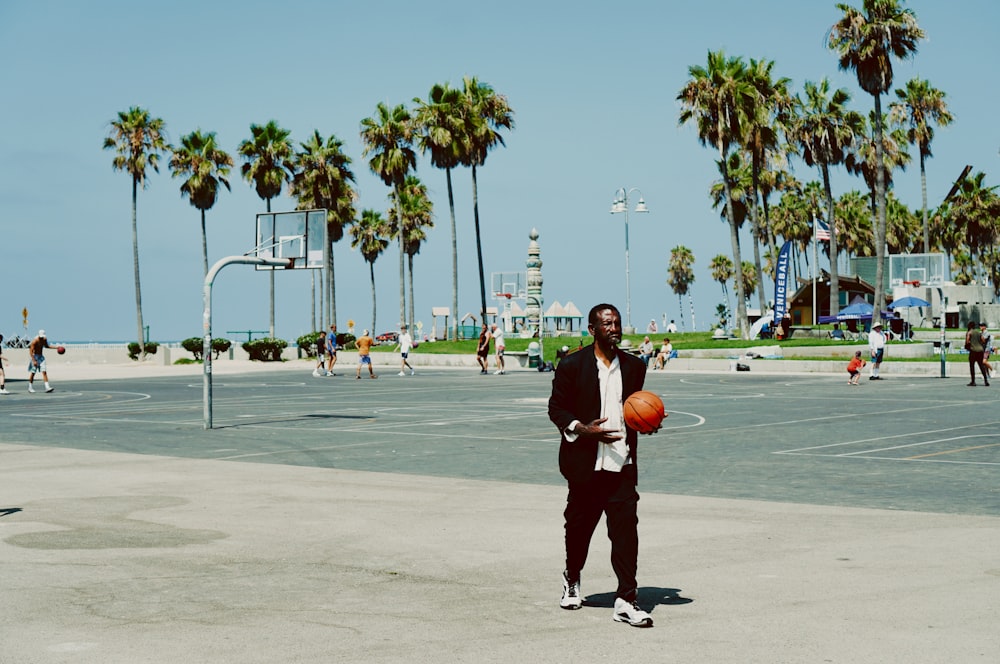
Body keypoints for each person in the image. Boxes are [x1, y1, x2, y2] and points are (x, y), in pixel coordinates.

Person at [548, 303, 656, 627]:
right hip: (585, 467)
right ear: (592, 330)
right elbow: (556, 409)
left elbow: (636, 410)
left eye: (617, 323)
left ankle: (626, 599)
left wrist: (648, 422)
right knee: (578, 531)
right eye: (606, 324)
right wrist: (583, 429)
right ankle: (572, 577)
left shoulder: (635, 367)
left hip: (621, 465)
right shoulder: (571, 366)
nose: (614, 328)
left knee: (626, 535)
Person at [965, 321, 989, 387]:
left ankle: (973, 381)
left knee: (972, 366)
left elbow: (967, 342)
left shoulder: (969, 332)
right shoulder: (978, 332)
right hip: (980, 350)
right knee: (981, 365)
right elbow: (983, 340)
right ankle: (986, 380)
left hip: (973, 350)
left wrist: (969, 346)